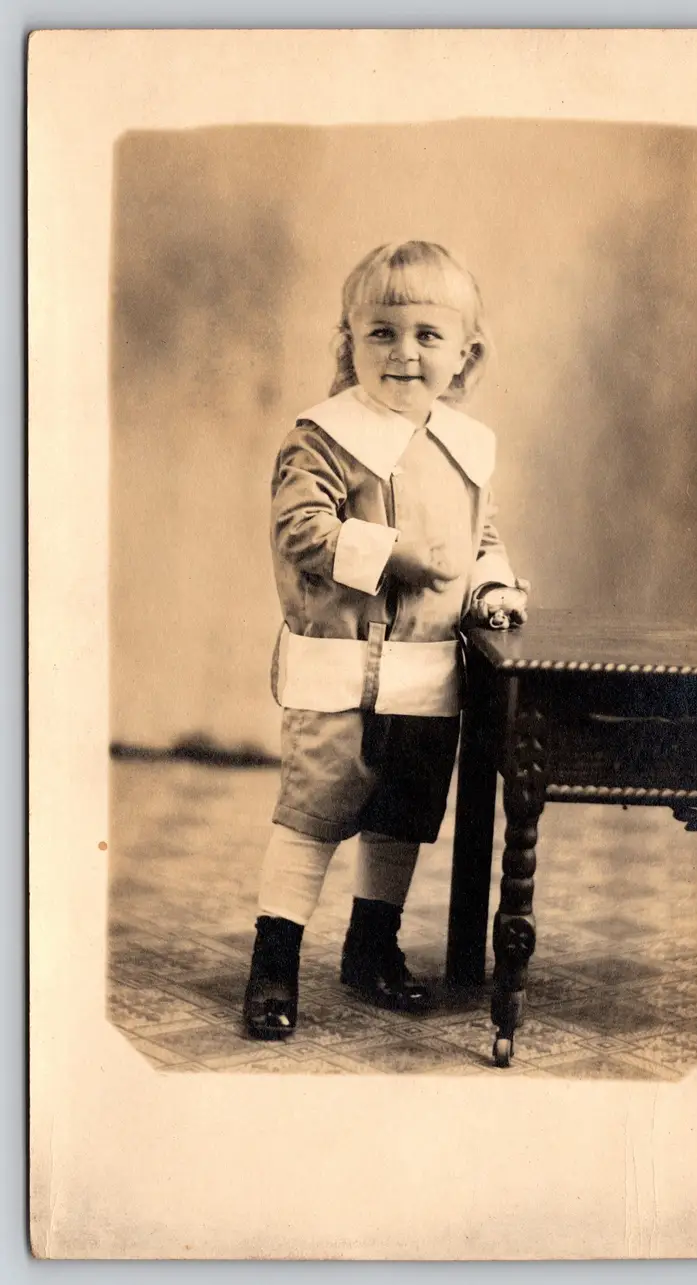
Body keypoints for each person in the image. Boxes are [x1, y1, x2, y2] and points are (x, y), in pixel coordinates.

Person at [243, 240, 528, 1039]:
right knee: (313, 808)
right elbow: (301, 528)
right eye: (382, 332)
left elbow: (481, 538)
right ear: (351, 340)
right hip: (338, 668)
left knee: (403, 811)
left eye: (427, 335)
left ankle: (372, 945)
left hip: (426, 673)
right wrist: (393, 551)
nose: (404, 352)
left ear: (464, 352)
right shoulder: (325, 435)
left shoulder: (465, 445)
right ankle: (275, 958)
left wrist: (493, 587)